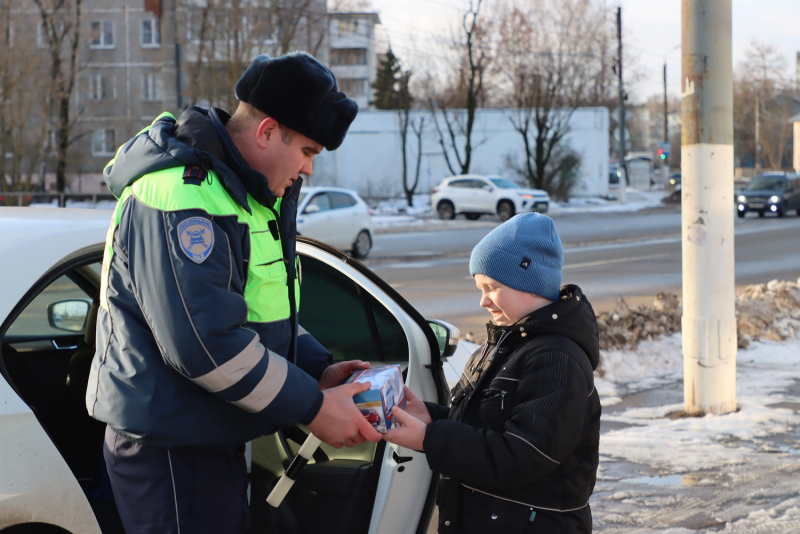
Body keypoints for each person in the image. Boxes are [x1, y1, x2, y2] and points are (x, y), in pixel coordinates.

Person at [86, 52, 381, 534]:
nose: (309, 169)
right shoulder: (183, 195)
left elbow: (257, 314)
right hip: (171, 451)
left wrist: (316, 370)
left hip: (205, 438)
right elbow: (206, 345)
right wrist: (313, 408)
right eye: (307, 151)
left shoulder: (240, 195)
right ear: (267, 131)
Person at [384, 213, 601, 533]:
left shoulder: (557, 359)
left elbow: (520, 456)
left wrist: (430, 438)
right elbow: (484, 424)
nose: (483, 300)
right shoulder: (504, 343)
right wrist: (431, 418)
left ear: (530, 284)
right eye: (480, 288)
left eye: (492, 287)